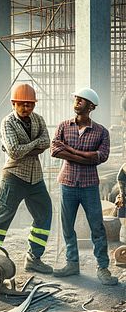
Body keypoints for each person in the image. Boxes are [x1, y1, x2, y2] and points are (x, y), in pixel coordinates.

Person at [0, 82, 53, 273]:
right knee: (2, 217)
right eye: (22, 104)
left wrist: (26, 147)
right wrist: (35, 146)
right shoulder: (7, 122)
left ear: (34, 105)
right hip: (13, 176)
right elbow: (13, 151)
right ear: (13, 103)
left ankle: (34, 257)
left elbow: (47, 142)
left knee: (44, 215)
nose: (26, 108)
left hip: (35, 177)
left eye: (29, 104)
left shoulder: (39, 120)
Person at [51, 87, 118, 284]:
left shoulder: (101, 132)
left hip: (89, 186)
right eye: (76, 99)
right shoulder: (64, 126)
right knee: (67, 226)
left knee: (97, 227)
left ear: (91, 106)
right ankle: (72, 263)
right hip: (67, 184)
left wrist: (70, 151)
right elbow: (55, 150)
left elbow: (100, 157)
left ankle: (103, 268)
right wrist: (84, 155)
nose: (77, 101)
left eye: (82, 100)